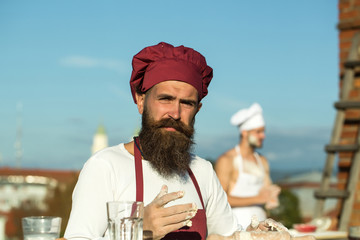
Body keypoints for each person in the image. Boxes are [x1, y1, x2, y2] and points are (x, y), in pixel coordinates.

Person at [64, 42, 311, 240]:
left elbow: (226, 236)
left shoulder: (202, 172)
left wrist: (255, 236)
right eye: (165, 99)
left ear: (198, 109)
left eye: (187, 103)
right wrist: (140, 231)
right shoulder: (106, 167)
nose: (175, 113)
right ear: (141, 101)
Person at [215, 103, 281, 229]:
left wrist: (272, 196)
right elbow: (221, 200)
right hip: (236, 227)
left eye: (263, 131)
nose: (263, 136)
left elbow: (266, 193)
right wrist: (259, 198)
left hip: (261, 227)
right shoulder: (227, 159)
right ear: (245, 133)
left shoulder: (262, 160)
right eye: (258, 132)